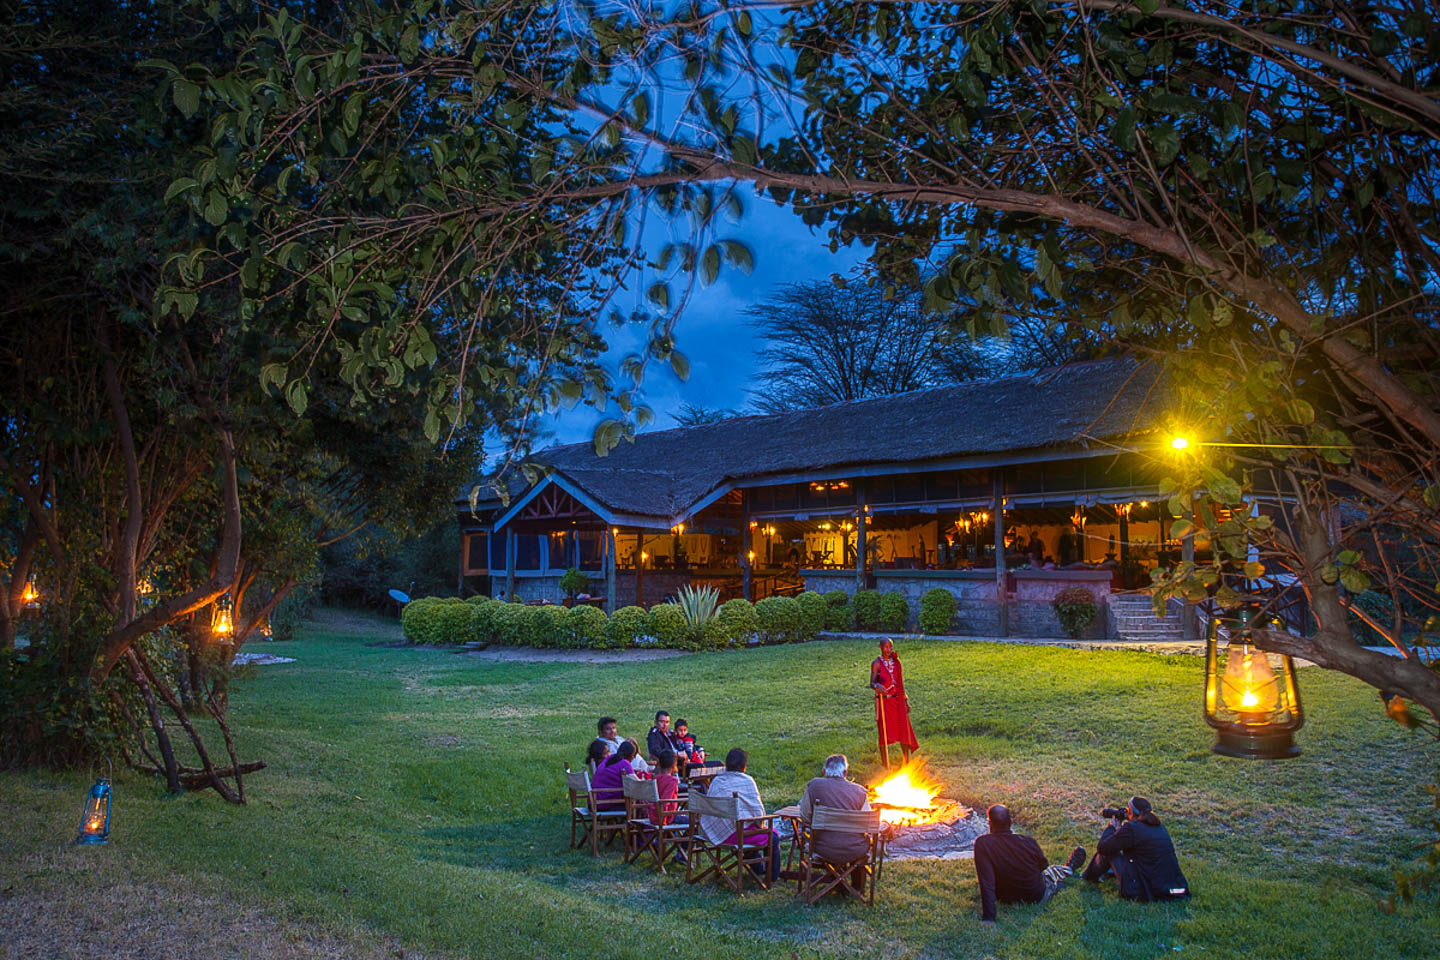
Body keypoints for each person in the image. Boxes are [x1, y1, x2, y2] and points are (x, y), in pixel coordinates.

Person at [973, 804, 1086, 925]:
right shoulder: (1029, 842)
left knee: (1049, 872)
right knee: (1051, 872)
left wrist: (989, 919)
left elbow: (986, 882)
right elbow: (1043, 866)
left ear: (990, 824)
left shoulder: (982, 844)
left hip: (1004, 897)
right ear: (1010, 822)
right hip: (1035, 896)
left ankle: (1067, 868)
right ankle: (1068, 868)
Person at [1081, 796, 1190, 901]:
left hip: (1141, 890)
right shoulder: (1160, 827)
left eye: (1128, 810)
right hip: (1168, 887)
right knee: (1117, 850)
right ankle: (1105, 873)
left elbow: (1103, 848)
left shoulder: (1132, 828)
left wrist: (1112, 828)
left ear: (1133, 813)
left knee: (1110, 850)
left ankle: (1087, 877)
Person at [701, 748, 780, 884]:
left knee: (750, 828)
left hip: (717, 832)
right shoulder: (748, 781)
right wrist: (761, 824)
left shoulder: (716, 781)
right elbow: (758, 813)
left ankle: (758, 869)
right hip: (737, 836)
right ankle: (771, 876)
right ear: (744, 766)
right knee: (771, 835)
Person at [799, 754, 873, 866]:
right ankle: (856, 883)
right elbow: (868, 822)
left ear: (824, 771)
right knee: (863, 841)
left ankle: (835, 880)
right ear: (845, 773)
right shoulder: (860, 792)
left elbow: (805, 816)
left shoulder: (814, 786)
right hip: (854, 849)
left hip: (823, 847)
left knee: (831, 839)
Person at [870, 639, 918, 764]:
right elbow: (872, 682)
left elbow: (900, 684)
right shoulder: (876, 663)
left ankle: (906, 761)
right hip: (884, 702)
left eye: (890, 647)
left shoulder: (896, 663)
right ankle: (885, 764)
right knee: (884, 732)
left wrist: (905, 700)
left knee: (903, 729)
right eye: (886, 647)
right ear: (880, 647)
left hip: (897, 700)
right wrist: (877, 686)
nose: (889, 650)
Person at [590, 739, 637, 812]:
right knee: (639, 802)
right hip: (604, 804)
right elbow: (638, 785)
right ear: (631, 755)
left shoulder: (609, 758)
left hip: (593, 801)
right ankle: (637, 822)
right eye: (634, 756)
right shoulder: (625, 763)